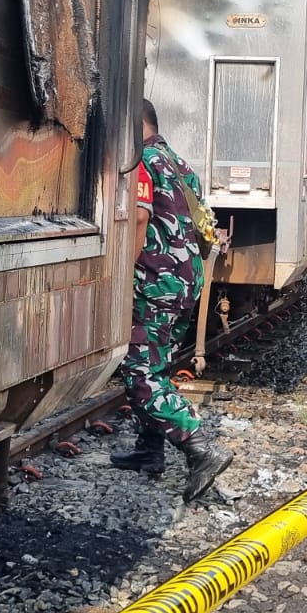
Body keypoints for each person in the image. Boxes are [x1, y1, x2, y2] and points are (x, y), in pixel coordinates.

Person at [110, 100, 234, 500]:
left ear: (134, 126)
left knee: (140, 372)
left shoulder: (141, 160)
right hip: (185, 280)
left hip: (154, 281)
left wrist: (120, 273)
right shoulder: (181, 166)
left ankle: (200, 448)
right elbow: (204, 225)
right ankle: (150, 451)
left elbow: (141, 218)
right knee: (157, 364)